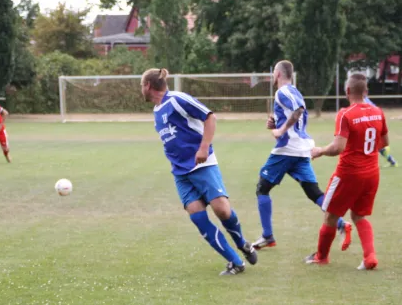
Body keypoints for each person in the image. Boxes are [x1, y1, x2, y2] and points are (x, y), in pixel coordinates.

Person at [141, 68, 257, 276]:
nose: (141, 89)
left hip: (202, 165)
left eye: (142, 85)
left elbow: (209, 117)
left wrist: (203, 147)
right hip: (180, 173)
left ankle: (242, 243)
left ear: (148, 85)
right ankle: (235, 262)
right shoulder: (157, 111)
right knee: (198, 216)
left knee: (222, 210)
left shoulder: (177, 99)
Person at [253, 60, 352, 251]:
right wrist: (275, 125)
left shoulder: (284, 91)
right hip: (301, 149)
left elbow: (298, 110)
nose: (273, 76)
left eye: (273, 72)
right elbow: (296, 116)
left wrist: (280, 130)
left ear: (279, 74)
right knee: (313, 192)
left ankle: (267, 236)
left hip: (288, 149)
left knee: (262, 189)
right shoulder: (294, 91)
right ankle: (341, 224)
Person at [306, 73, 389, 270]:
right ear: (366, 91)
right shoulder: (378, 112)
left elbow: (337, 148)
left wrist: (319, 151)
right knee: (359, 216)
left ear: (347, 91)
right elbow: (384, 142)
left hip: (349, 174)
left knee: (330, 215)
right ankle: (370, 257)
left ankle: (322, 257)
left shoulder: (346, 113)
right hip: (372, 173)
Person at [363, 96, 399, 167]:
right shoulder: (364, 98)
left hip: (371, 122)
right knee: (375, 144)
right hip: (375, 122)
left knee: (368, 143)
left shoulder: (362, 100)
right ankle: (392, 161)